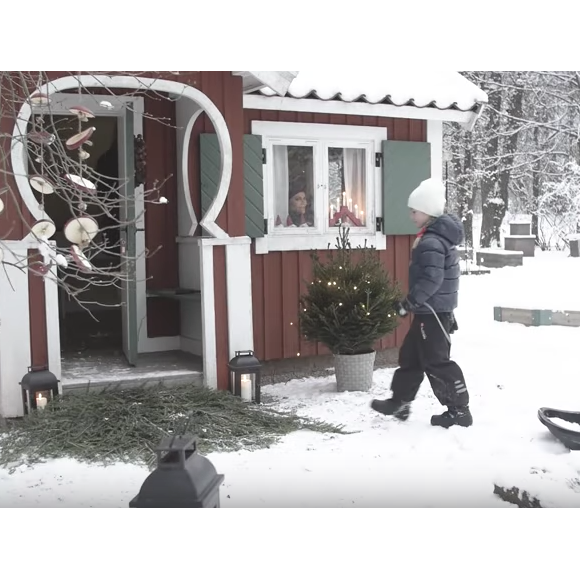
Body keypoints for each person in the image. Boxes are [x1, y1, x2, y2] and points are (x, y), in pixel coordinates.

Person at [371, 177, 472, 429]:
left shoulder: (432, 242)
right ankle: (400, 402)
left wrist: (409, 302)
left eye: (414, 211)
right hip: (431, 310)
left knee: (437, 360)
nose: (411, 215)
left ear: (427, 211)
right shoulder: (433, 238)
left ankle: (459, 410)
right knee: (412, 356)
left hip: (434, 311)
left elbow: (432, 279)